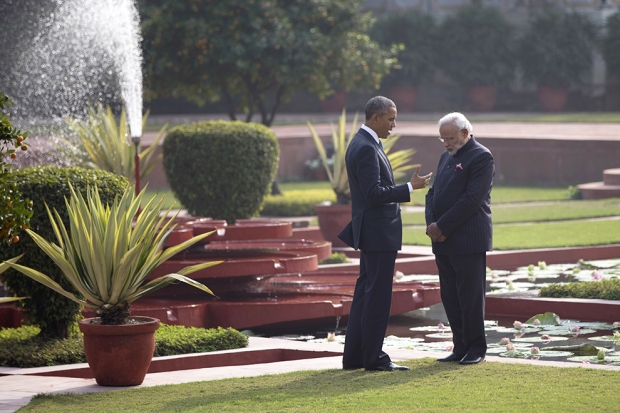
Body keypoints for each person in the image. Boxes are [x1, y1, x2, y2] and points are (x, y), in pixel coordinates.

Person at [338, 96, 432, 371]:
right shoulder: (366, 147)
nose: (394, 124)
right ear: (375, 118)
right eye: (390, 119)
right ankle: (374, 359)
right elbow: (373, 193)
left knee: (365, 295)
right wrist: (410, 188)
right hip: (378, 233)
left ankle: (355, 357)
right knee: (377, 297)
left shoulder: (362, 142)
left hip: (372, 233)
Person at [425, 112, 494, 365]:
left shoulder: (481, 156)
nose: (445, 143)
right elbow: (432, 194)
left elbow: (471, 200)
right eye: (442, 139)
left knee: (470, 296)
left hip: (467, 240)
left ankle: (476, 348)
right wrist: (432, 225)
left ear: (465, 133)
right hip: (442, 240)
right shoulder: (446, 156)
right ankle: (460, 346)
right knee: (450, 296)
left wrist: (441, 226)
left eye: (450, 138)